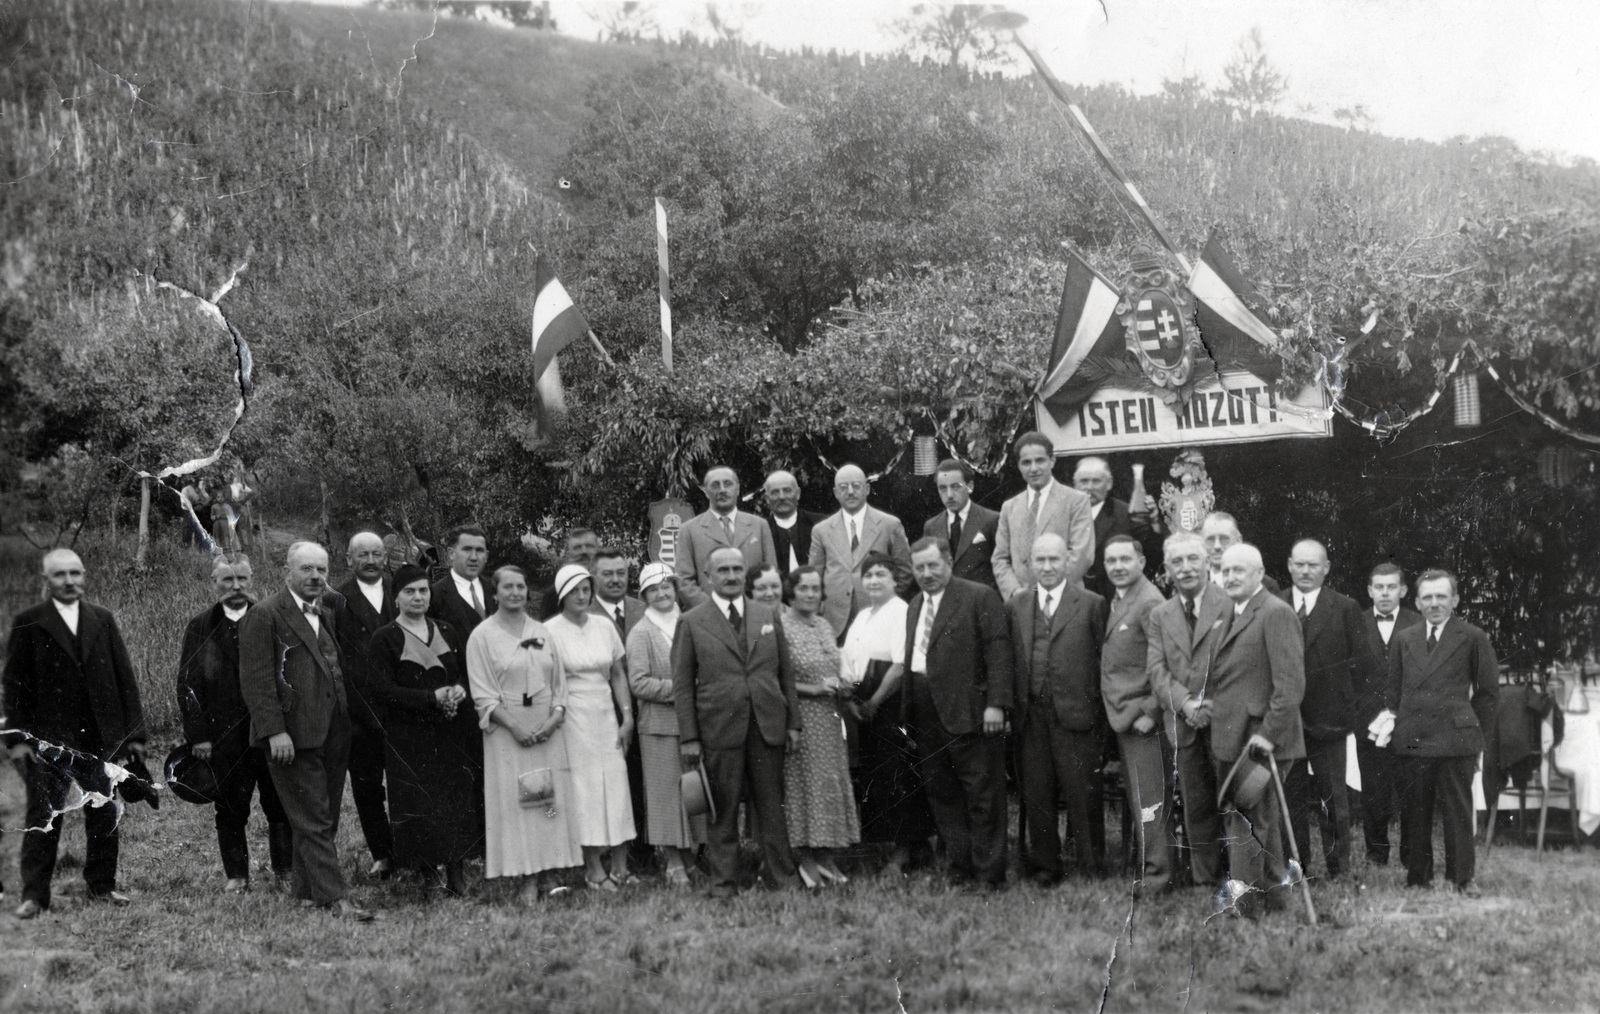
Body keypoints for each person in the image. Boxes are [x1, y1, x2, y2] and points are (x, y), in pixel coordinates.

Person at [4, 549, 148, 918]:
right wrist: (17, 742)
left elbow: (125, 680)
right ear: (46, 581)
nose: (69, 582)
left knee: (103, 813)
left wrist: (133, 736)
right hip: (48, 743)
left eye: (75, 573)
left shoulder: (103, 619)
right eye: (59, 575)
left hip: (99, 739)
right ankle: (35, 895)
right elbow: (14, 689)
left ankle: (102, 887)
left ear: (84, 576)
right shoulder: (29, 622)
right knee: (44, 815)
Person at [238, 541, 373, 921]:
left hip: (333, 732)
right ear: (287, 573)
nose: (315, 576)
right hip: (290, 737)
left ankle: (305, 893)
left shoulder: (326, 611)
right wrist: (273, 732)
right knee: (312, 817)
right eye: (306, 570)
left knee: (323, 816)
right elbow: (257, 680)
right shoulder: (265, 614)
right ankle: (336, 898)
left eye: (321, 570)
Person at [674, 546, 801, 897]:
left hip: (766, 724)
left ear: (745, 572)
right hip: (719, 727)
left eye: (737, 569)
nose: (731, 576)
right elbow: (683, 685)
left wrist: (793, 722)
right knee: (722, 811)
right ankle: (723, 884)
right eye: (723, 570)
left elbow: (785, 672)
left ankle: (783, 880)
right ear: (708, 576)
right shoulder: (692, 621)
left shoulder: (765, 613)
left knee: (772, 809)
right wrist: (690, 737)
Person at [1371, 569, 1497, 896]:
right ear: (1416, 601)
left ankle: (1462, 877)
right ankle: (1418, 876)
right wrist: (1397, 725)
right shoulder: (1405, 638)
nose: (1434, 603)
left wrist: (1474, 733)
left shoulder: (1472, 636)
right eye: (1427, 597)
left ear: (1454, 600)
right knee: (1415, 809)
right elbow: (1393, 691)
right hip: (1413, 738)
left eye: (1441, 596)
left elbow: (1487, 694)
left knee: (1457, 810)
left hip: (1456, 739)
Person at [176, 554, 291, 893]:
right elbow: (188, 684)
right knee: (230, 807)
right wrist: (198, 736)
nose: (236, 587)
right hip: (224, 739)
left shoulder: (272, 617)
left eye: (242, 579)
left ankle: (285, 872)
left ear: (252, 581)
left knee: (279, 804)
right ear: (214, 584)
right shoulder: (201, 626)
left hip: (269, 733)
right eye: (227, 580)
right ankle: (237, 876)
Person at [903, 536, 1013, 890]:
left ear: (948, 562)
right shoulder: (915, 604)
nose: (926, 573)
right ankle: (959, 866)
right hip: (926, 711)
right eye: (919, 567)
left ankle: (988, 874)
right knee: (942, 793)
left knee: (982, 795)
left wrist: (997, 703)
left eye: (933, 565)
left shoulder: (978, 596)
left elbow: (999, 652)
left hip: (970, 711)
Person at [365, 564, 482, 894]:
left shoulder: (445, 629)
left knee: (455, 799)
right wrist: (430, 697)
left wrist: (459, 690)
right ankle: (428, 875)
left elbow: (462, 673)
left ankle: (457, 871)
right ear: (397, 598)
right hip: (409, 736)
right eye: (410, 591)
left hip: (449, 731)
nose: (418, 597)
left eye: (423, 590)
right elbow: (381, 690)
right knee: (419, 803)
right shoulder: (385, 637)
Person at [466, 565, 578, 901]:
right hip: (507, 731)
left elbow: (560, 684)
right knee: (518, 803)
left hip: (547, 731)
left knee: (548, 803)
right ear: (495, 593)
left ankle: (549, 873)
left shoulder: (543, 631)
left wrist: (554, 719)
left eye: (521, 586)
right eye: (508, 587)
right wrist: (515, 727)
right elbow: (483, 693)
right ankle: (526, 878)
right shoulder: (481, 636)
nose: (515, 593)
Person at [1208, 543, 1305, 917]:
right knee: (1261, 822)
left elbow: (1290, 685)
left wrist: (1269, 734)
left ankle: (1242, 907)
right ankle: (1278, 901)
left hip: (1262, 740)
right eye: (1225, 571)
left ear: (1259, 573)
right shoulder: (1230, 612)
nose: (1230, 577)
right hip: (1234, 737)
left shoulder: (1275, 613)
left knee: (1247, 821)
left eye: (1239, 571)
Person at [1007, 534, 1108, 884]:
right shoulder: (1017, 603)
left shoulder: (1092, 603)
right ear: (1029, 564)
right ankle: (1046, 865)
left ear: (1067, 561)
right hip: (1030, 714)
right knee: (1037, 791)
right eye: (1040, 560)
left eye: (1054, 559)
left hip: (1076, 713)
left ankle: (1092, 866)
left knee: (1083, 793)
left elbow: (1101, 662)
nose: (1047, 567)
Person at [1277, 538, 1374, 880]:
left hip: (1329, 722)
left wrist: (1346, 709)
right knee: (1289, 802)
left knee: (1334, 801)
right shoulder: (1275, 604)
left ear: (1326, 568)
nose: (1305, 571)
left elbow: (1362, 666)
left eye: (1313, 565)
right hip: (1286, 722)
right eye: (1299, 564)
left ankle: (1339, 870)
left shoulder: (1345, 608)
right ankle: (1295, 869)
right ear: (1289, 565)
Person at [840, 552, 935, 877]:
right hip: (865, 707)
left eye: (881, 574)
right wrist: (853, 700)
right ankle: (889, 847)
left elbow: (898, 665)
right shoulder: (863, 615)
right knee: (877, 781)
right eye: (868, 575)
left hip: (893, 706)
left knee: (901, 780)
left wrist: (874, 702)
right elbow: (849, 664)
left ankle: (903, 853)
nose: (874, 581)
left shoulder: (902, 612)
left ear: (895, 580)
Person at [1145, 530, 1230, 889]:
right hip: (1184, 723)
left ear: (1207, 562)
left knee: (1235, 803)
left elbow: (1241, 664)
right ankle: (1205, 880)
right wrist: (1185, 704)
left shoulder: (1229, 604)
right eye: (1176, 562)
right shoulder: (1160, 615)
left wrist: (1211, 705)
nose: (1186, 568)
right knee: (1196, 806)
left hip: (1227, 721)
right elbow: (1156, 670)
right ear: (1167, 570)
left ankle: (1242, 878)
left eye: (1192, 559)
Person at [545, 565, 637, 890]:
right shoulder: (550, 631)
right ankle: (594, 869)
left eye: (586, 589)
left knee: (616, 785)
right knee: (584, 791)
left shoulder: (603, 625)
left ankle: (621, 867)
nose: (582, 596)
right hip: (572, 717)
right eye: (575, 591)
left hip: (605, 714)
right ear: (562, 595)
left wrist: (627, 716)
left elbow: (617, 673)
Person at [1098, 534, 1173, 893]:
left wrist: (1151, 711)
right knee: (1141, 798)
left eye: (1125, 559)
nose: (1117, 567)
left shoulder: (1150, 601)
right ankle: (1153, 869)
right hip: (1122, 714)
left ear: (1142, 562)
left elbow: (1166, 663)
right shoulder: (1120, 599)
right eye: (1110, 560)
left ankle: (1158, 877)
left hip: (1142, 716)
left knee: (1150, 800)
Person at [625, 564, 705, 886]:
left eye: (667, 587)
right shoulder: (640, 633)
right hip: (658, 726)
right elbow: (639, 683)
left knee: (694, 793)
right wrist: (682, 690)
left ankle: (691, 857)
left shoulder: (689, 624)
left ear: (675, 590)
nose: (661, 593)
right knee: (665, 795)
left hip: (693, 724)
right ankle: (673, 861)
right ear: (644, 595)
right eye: (653, 589)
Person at [779, 566, 860, 887]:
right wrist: (813, 689)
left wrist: (842, 683)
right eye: (804, 589)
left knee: (828, 786)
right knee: (803, 787)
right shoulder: (781, 627)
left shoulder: (825, 625)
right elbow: (776, 678)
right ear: (791, 591)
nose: (811, 595)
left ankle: (826, 857)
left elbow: (834, 665)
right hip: (800, 719)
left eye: (816, 589)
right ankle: (805, 858)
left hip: (828, 719)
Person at [333, 531, 397, 880]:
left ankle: (414, 850)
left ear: (385, 557)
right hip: (358, 713)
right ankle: (383, 854)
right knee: (367, 788)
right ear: (348, 559)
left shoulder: (403, 592)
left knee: (405, 783)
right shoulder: (337, 599)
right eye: (363, 555)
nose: (370, 561)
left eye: (376, 554)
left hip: (400, 708)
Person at [1353, 563, 1422, 866]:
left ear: (1403, 591)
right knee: (1373, 792)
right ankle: (1376, 853)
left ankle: (1410, 854)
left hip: (1409, 722)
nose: (1384, 593)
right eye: (1378, 587)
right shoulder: (1355, 622)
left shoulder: (1419, 623)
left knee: (1410, 791)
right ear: (1369, 591)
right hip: (1367, 723)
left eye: (1391, 587)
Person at [809, 464, 913, 637]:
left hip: (879, 614)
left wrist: (887, 599)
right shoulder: (822, 530)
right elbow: (814, 575)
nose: (850, 492)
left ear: (867, 489)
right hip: (834, 619)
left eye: (856, 486)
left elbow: (905, 570)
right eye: (843, 487)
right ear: (835, 493)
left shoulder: (889, 524)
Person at [994, 431, 1094, 599]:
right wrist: (1015, 592)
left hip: (1065, 600)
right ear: (1018, 466)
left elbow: (1082, 555)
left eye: (1040, 460)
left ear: (1052, 461)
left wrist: (1047, 594)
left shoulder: (1076, 501)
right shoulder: (1009, 507)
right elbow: (999, 559)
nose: (1034, 468)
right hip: (1021, 604)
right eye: (1026, 462)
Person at [675, 465, 778, 608]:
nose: (722, 490)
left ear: (738, 489)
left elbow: (771, 574)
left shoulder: (759, 526)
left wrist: (756, 608)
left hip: (755, 613)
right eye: (715, 485)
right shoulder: (689, 530)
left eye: (728, 484)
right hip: (709, 618)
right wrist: (713, 609)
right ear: (706, 492)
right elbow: (684, 581)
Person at [1073, 456, 1152, 600]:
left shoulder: (1125, 514)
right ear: (1075, 484)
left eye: (1096, 481)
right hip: (1074, 603)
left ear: (1109, 483)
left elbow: (1150, 554)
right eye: (1084, 481)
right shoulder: (1064, 515)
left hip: (1114, 602)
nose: (1089, 487)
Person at [921, 458, 1000, 591]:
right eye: (943, 488)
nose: (949, 495)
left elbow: (1001, 566)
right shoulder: (932, 526)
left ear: (970, 487)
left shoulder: (991, 520)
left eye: (955, 486)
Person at [430, 525, 496, 637]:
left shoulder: (497, 590)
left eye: (479, 550)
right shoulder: (434, 595)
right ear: (451, 554)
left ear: (486, 556)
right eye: (467, 549)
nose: (474, 557)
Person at [763, 469, 825, 578]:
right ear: (767, 499)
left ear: (798, 494)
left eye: (787, 490)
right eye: (775, 492)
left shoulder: (820, 524)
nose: (782, 497)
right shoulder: (762, 529)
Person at [1199, 513, 1281, 593]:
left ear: (1238, 541)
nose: (1217, 546)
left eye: (1224, 539)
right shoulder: (1196, 584)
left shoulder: (1265, 584)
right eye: (1210, 540)